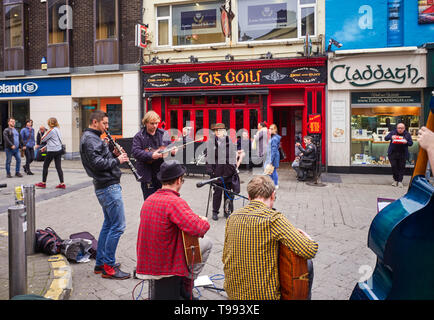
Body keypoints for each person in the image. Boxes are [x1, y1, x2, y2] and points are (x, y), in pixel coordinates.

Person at [222, 175, 318, 300]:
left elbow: (225, 256)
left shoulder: (233, 217)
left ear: (249, 197)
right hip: (263, 297)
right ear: (273, 195)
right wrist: (307, 238)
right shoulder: (273, 218)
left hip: (233, 293)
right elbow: (310, 250)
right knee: (308, 264)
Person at [136, 160, 212, 299]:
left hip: (146, 262)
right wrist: (204, 221)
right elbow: (199, 229)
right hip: (165, 264)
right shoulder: (174, 202)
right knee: (207, 243)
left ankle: (183, 285)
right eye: (182, 181)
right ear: (178, 180)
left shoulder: (149, 199)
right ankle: (187, 286)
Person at [80, 110, 131, 279]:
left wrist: (113, 153)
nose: (107, 127)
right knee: (118, 226)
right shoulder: (90, 139)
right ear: (95, 122)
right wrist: (118, 160)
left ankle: (101, 263)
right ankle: (108, 267)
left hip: (105, 185)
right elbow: (97, 164)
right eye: (105, 123)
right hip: (108, 187)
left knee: (109, 225)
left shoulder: (94, 138)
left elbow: (102, 158)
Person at [132, 111, 176, 201]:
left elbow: (170, 147)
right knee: (150, 201)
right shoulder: (139, 136)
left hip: (162, 174)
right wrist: (151, 155)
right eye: (152, 123)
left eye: (156, 123)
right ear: (146, 123)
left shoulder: (164, 133)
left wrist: (173, 151)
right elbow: (135, 152)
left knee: (163, 201)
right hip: (147, 174)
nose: (155, 126)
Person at [205, 123, 239, 221]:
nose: (218, 132)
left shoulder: (230, 142)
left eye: (220, 130)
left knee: (228, 193)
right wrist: (210, 171)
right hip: (217, 172)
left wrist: (234, 167)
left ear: (224, 131)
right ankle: (215, 212)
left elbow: (233, 156)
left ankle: (227, 211)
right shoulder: (211, 143)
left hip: (228, 172)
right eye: (216, 130)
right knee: (217, 193)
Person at [35, 117, 65, 189]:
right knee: (58, 167)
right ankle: (62, 183)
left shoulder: (50, 130)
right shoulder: (57, 130)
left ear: (49, 123)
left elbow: (42, 139)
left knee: (45, 166)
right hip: (58, 150)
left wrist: (43, 131)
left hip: (52, 151)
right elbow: (53, 141)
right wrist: (44, 148)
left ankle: (43, 183)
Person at [385, 123, 413, 188]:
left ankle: (400, 181)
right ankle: (395, 180)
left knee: (401, 167)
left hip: (402, 153)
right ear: (396, 128)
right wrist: (391, 137)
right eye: (399, 128)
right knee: (394, 166)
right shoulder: (393, 132)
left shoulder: (407, 134)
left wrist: (406, 142)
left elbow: (411, 143)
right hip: (392, 153)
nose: (400, 129)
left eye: (401, 128)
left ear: (404, 128)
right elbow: (386, 138)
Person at [264, 124, 281, 189]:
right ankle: (274, 182)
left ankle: (275, 184)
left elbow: (273, 150)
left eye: (271, 129)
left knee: (272, 170)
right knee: (270, 170)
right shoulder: (274, 137)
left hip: (273, 156)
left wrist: (270, 160)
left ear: (275, 130)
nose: (269, 130)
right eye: (269, 128)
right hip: (272, 155)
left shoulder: (275, 138)